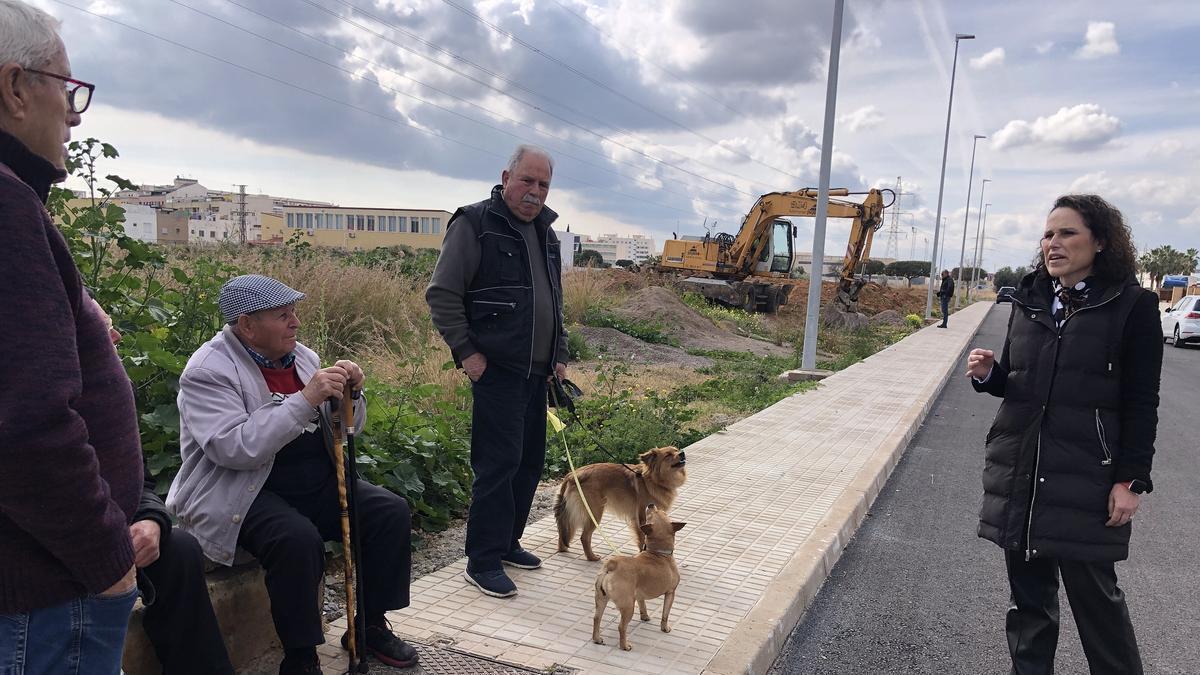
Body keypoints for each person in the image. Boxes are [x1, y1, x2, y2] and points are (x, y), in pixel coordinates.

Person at [167, 275, 418, 675]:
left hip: (310, 477)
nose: (295, 323)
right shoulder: (207, 371)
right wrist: (305, 399)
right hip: (243, 489)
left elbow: (344, 430)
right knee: (296, 540)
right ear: (247, 325)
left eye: (295, 312)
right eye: (283, 315)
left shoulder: (303, 357)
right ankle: (300, 657)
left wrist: (349, 397)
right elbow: (234, 449)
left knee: (388, 512)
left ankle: (367, 627)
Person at [0, 2, 143, 673]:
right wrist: (108, 560)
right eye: (67, 87)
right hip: (47, 591)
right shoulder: (6, 206)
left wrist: (74, 308)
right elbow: (26, 427)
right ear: (14, 87)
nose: (76, 113)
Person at [965, 194, 1161, 674]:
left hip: (1085, 483)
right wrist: (991, 375)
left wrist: (1131, 479)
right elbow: (1019, 382)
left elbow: (1141, 402)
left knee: (1100, 613)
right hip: (1023, 476)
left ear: (1100, 241)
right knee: (1029, 613)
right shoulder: (1029, 299)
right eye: (1048, 234)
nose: (1053, 243)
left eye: (1067, 233)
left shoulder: (1132, 306)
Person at [427, 144, 570, 598]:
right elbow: (443, 294)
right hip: (497, 371)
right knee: (497, 465)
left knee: (528, 463)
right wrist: (467, 353)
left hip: (538, 373)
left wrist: (559, 356)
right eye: (527, 181)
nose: (535, 192)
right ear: (506, 177)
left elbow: (555, 304)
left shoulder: (547, 234)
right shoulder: (474, 224)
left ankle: (508, 543)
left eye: (543, 184)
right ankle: (482, 560)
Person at [91, 299, 235, 674]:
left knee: (178, 549)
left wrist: (151, 520)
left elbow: (135, 479)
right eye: (102, 326)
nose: (117, 336)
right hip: (59, 540)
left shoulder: (101, 395)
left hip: (99, 527)